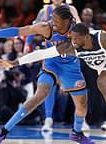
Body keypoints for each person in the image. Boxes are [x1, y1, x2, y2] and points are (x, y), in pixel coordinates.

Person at [0, 23, 106, 144]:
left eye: (77, 39)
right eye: (72, 38)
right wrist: (15, 63)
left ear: (87, 36)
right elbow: (43, 53)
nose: (74, 42)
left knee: (101, 82)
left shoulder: (104, 39)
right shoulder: (72, 45)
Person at [0, 5, 93, 144]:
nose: (53, 22)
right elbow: (18, 31)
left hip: (71, 67)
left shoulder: (77, 30)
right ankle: (3, 131)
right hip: (51, 64)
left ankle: (77, 133)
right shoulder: (46, 27)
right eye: (53, 19)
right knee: (40, 95)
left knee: (82, 106)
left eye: (56, 20)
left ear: (67, 21)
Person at [25, 0, 89, 132]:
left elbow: (79, 26)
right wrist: (27, 44)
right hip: (52, 54)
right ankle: (48, 119)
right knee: (49, 87)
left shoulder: (70, 8)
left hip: (69, 54)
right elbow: (32, 28)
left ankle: (82, 121)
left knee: (76, 88)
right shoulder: (45, 10)